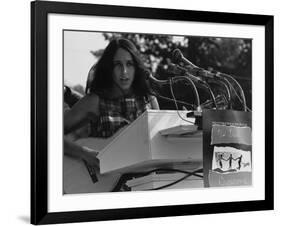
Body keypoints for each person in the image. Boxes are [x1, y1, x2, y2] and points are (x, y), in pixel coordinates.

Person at [64, 38, 159, 169]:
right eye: (118, 65)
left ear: (136, 67)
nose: (124, 71)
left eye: (129, 64)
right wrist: (85, 153)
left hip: (146, 183)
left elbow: (159, 143)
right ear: (109, 68)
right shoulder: (95, 101)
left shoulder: (149, 100)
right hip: (107, 184)